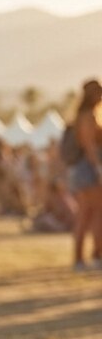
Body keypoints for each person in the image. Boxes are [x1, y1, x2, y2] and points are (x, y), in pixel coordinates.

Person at [68, 78, 102, 270]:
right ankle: (95, 254)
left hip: (83, 169)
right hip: (88, 169)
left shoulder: (81, 115)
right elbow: (89, 146)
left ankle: (81, 257)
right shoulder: (88, 116)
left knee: (86, 214)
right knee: (94, 213)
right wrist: (99, 168)